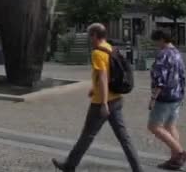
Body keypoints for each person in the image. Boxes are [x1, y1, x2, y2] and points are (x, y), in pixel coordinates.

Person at [52, 23, 143, 172]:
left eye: (90, 35)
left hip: (101, 102)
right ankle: (138, 169)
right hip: (117, 99)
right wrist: (94, 89)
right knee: (124, 138)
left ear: (95, 35)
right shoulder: (110, 48)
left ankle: (69, 166)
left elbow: (103, 78)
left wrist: (103, 103)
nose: (89, 38)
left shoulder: (97, 53)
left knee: (87, 135)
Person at [148, 29, 186, 170]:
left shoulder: (163, 55)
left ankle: (179, 152)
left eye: (156, 40)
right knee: (170, 126)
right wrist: (182, 93)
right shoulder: (177, 53)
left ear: (162, 39)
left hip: (165, 96)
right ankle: (174, 160)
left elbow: (160, 79)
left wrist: (153, 98)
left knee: (154, 126)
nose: (155, 43)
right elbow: (183, 75)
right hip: (177, 95)